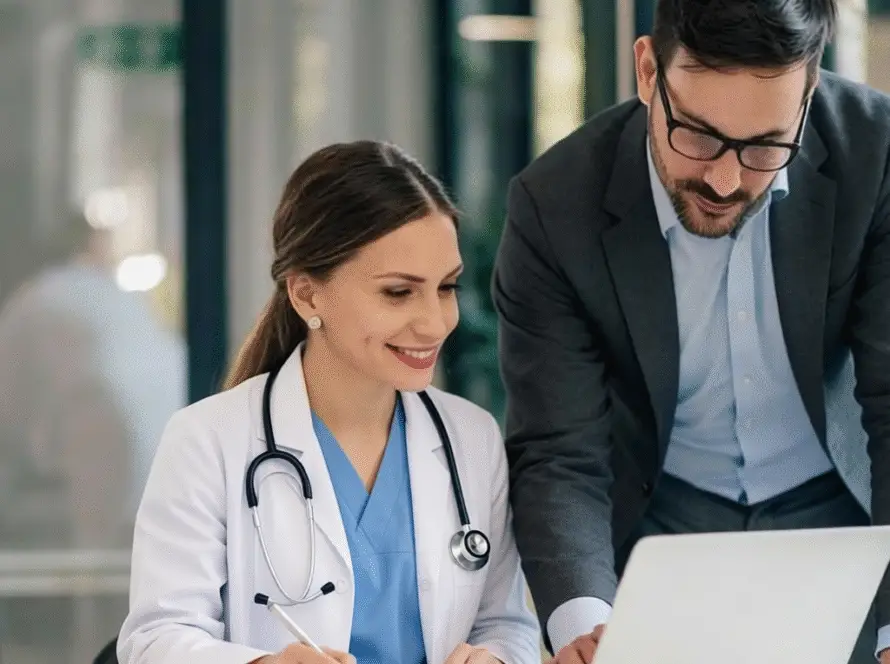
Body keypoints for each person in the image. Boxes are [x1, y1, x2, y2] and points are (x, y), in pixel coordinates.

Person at [491, 1, 890, 663]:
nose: (726, 181)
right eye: (699, 137)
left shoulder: (876, 157)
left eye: (765, 146)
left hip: (845, 514)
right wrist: (585, 624)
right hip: (661, 533)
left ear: (809, 92)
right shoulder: (554, 206)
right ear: (648, 72)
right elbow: (562, 452)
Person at [117, 140, 541, 664]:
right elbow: (156, 640)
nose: (434, 322)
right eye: (398, 292)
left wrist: (496, 658)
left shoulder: (471, 439)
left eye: (447, 287)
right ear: (307, 295)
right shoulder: (208, 440)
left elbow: (506, 623)